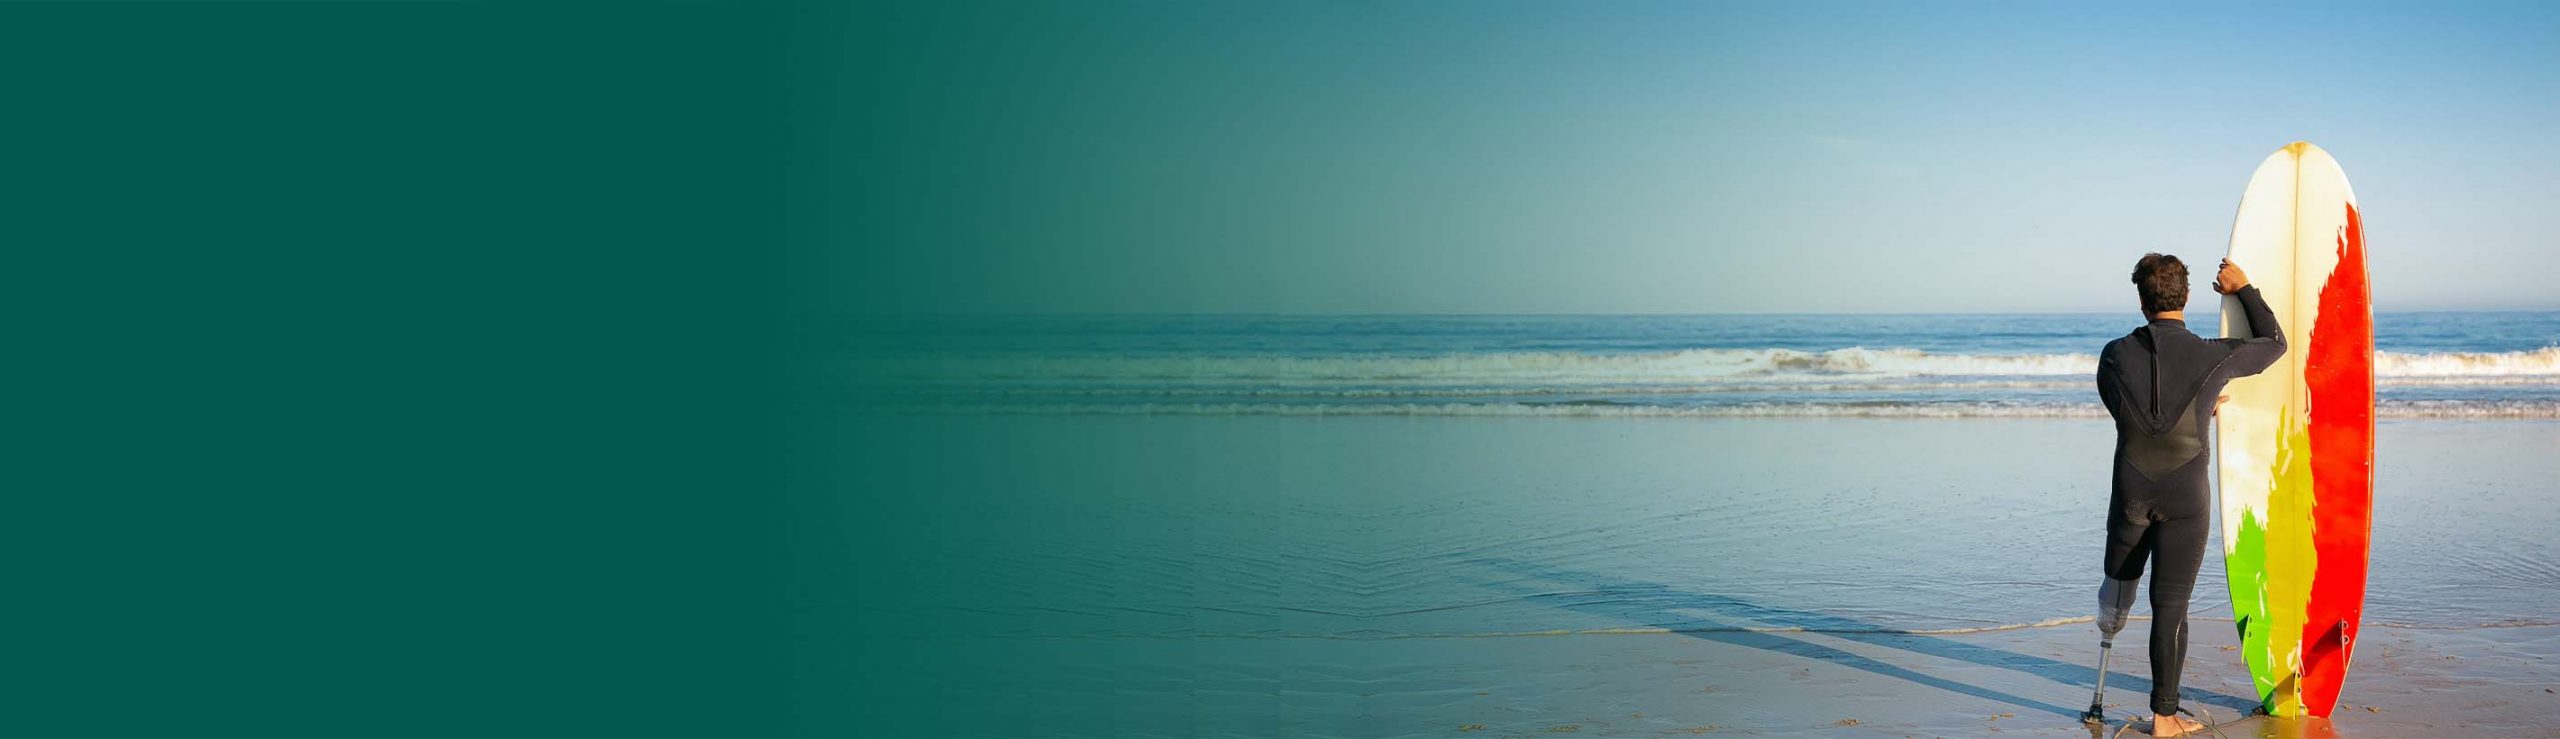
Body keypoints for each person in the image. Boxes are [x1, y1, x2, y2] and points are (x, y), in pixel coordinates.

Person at [2093, 254, 2286, 737]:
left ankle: (2109, 620)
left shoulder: (2113, 354)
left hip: (2131, 492)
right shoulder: (2209, 354)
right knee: (2171, 604)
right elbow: (2274, 344)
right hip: (2185, 497)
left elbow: (2125, 412)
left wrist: (2195, 408)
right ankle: (2165, 717)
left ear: (2141, 300)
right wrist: (2243, 288)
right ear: (2187, 296)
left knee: (2119, 583)